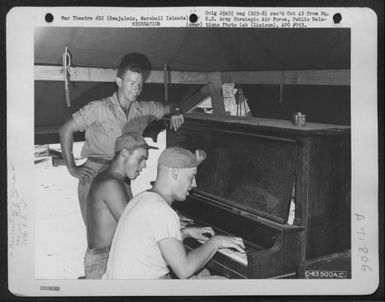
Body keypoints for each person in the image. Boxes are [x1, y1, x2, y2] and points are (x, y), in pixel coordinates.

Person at [59, 58, 184, 226]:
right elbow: (65, 129)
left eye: (140, 84)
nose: (137, 89)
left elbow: (170, 107)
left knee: (126, 233)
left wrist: (176, 110)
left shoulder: (143, 109)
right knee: (99, 236)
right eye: (132, 83)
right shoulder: (99, 108)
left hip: (122, 176)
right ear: (119, 81)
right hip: (95, 174)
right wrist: (72, 167)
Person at [105, 147, 245, 279]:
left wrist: (185, 233)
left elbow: (153, 249)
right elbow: (184, 270)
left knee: (204, 274)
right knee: (225, 283)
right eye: (191, 177)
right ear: (175, 173)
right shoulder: (161, 210)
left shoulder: (142, 198)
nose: (194, 184)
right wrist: (216, 242)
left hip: (121, 288)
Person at [84, 132, 158, 279]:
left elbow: (132, 214)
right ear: (124, 153)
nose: (144, 165)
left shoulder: (109, 177)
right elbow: (134, 227)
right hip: (104, 261)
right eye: (141, 159)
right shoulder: (111, 183)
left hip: (105, 256)